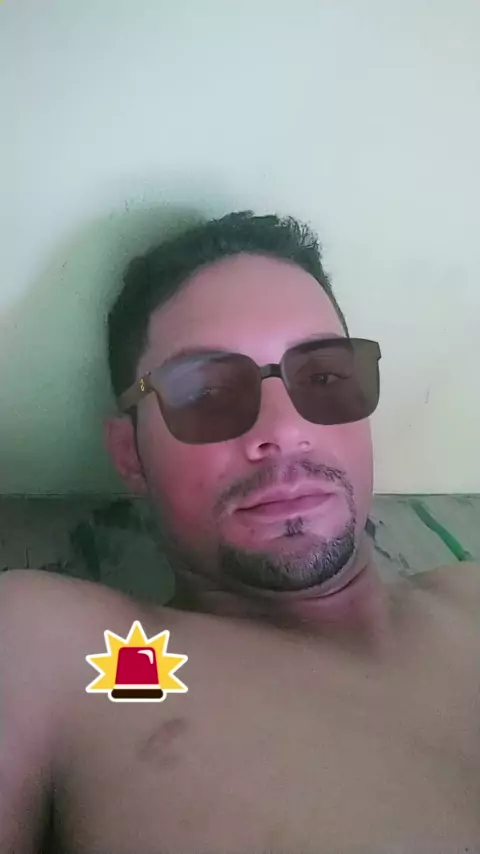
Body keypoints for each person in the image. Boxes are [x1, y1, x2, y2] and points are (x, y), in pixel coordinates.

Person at [1, 212, 479, 854]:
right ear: (130, 454)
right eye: (205, 391)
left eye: (324, 376)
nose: (284, 430)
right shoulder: (67, 650)